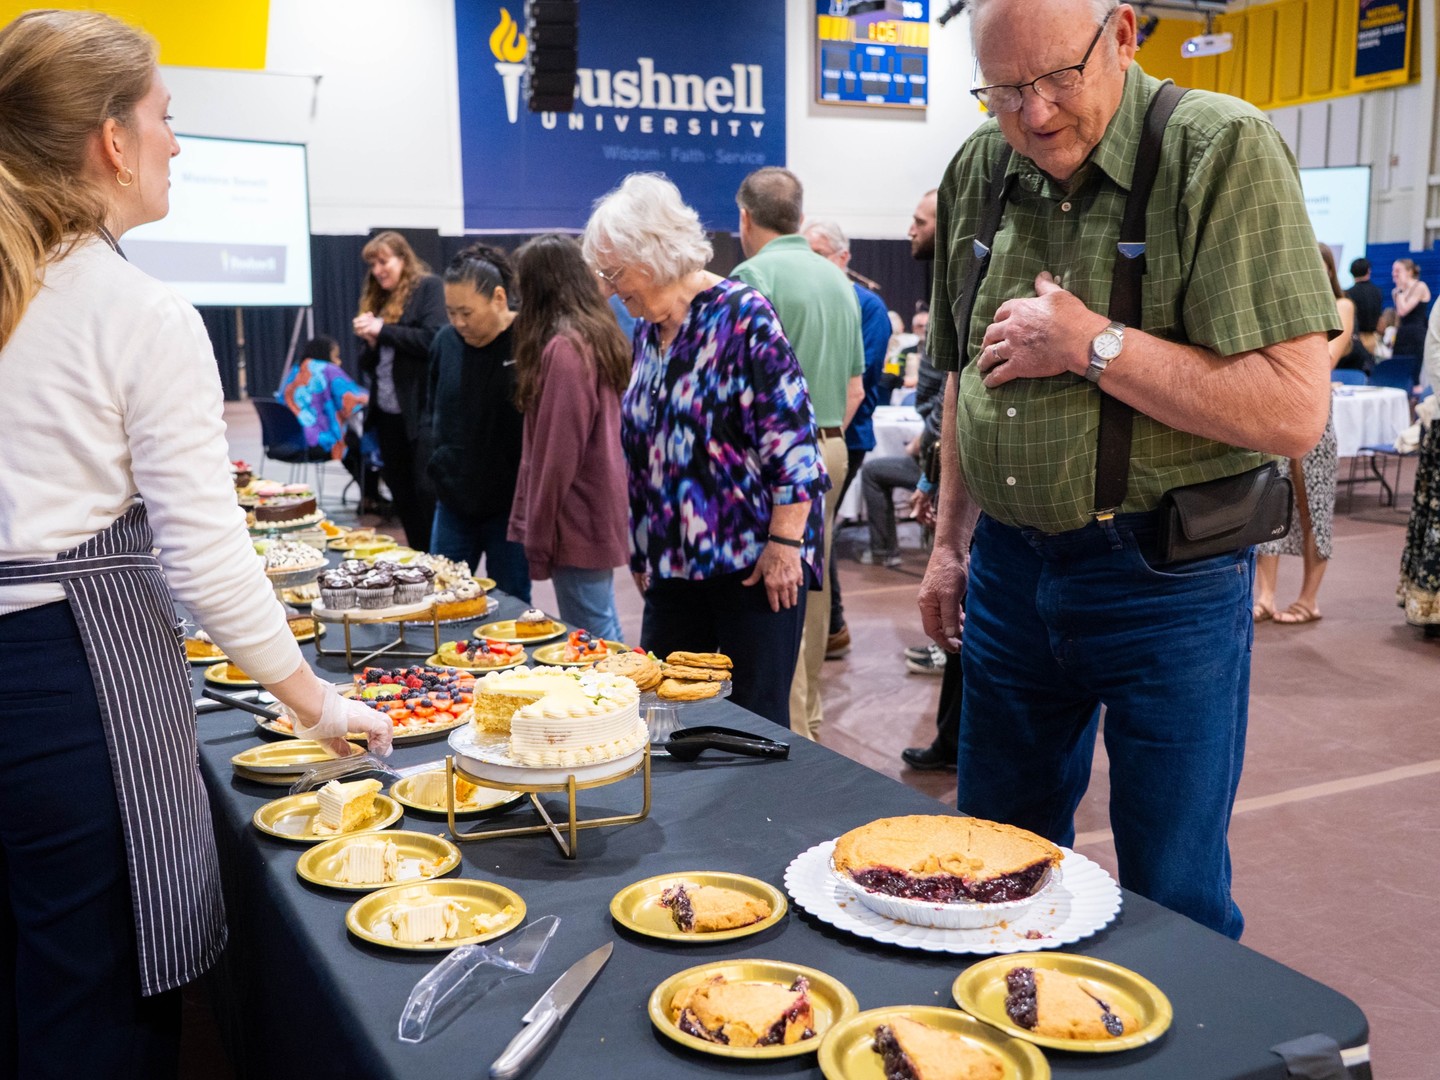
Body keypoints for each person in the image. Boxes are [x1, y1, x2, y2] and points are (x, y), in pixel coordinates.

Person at [0, 11, 391, 1075]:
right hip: (67, 681)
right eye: (165, 117)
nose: (176, 143)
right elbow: (204, 557)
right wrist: (317, 703)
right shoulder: (135, 310)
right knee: (91, 1004)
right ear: (111, 141)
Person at [921, 0, 1336, 938]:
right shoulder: (979, 168)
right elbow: (962, 376)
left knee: (1172, 892)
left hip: (1166, 583)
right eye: (1004, 90)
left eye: (1057, 78)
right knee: (989, 867)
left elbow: (1291, 409)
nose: (1033, 115)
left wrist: (1092, 345)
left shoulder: (1217, 150)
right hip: (1008, 575)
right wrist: (949, 544)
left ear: (1122, 35)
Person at [584, 172, 829, 727]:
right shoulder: (648, 331)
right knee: (661, 716)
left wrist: (784, 545)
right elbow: (647, 449)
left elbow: (794, 445)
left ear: (653, 255)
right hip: (674, 568)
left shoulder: (742, 316)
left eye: (614, 272)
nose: (609, 288)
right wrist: (643, 549)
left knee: (751, 721)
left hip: (752, 566)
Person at [732, 168, 864, 742]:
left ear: (745, 217)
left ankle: (787, 729)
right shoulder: (838, 278)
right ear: (798, 215)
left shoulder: (751, 277)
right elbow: (856, 388)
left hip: (777, 463)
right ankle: (810, 721)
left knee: (776, 590)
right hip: (832, 447)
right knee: (814, 588)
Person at [508, 234, 631, 640]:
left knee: (592, 634)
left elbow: (557, 458)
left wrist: (538, 537)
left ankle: (623, 686)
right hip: (590, 509)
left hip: (576, 515)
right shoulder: (593, 334)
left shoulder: (566, 349)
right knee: (599, 623)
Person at [801, 219, 893, 660]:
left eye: (819, 255)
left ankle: (833, 627)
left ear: (843, 257)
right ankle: (831, 627)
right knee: (819, 527)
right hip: (814, 433)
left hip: (844, 434)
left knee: (821, 527)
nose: (811, 264)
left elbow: (860, 376)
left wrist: (824, 435)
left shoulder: (868, 307)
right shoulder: (812, 299)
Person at [426, 244, 530, 602]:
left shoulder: (528, 342)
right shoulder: (445, 342)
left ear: (498, 298)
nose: (458, 322)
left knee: (513, 602)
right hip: (453, 502)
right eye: (451, 312)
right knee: (441, 597)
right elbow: (432, 411)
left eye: (466, 312)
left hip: (510, 508)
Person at [1253, 244, 1347, 625]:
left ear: (1329, 270)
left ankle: (1309, 600)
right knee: (1271, 504)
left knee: (1314, 510)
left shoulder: (1341, 306)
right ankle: (1266, 597)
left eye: (1317, 265)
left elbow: (1325, 359)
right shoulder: (1286, 306)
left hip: (1315, 418)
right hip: (1278, 414)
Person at [354, 230, 446, 551]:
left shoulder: (428, 288)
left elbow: (433, 339)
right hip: (388, 414)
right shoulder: (380, 297)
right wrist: (370, 341)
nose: (377, 270)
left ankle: (438, 559)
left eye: (384, 262)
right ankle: (420, 558)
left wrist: (383, 330)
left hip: (419, 412)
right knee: (402, 493)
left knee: (425, 492)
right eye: (373, 264)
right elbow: (370, 364)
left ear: (403, 259)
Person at [861, 310, 937, 569]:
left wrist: (916, 446)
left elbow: (939, 424)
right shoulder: (908, 353)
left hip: (937, 467)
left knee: (872, 472)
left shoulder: (938, 369)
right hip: (937, 463)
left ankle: (883, 551)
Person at [278, 334, 373, 497]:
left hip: (288, 440)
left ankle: (369, 498)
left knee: (353, 445)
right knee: (364, 446)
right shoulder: (327, 369)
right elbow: (350, 400)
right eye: (335, 356)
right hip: (315, 441)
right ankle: (371, 498)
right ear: (324, 354)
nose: (339, 362)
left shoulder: (295, 370)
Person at [1390, 258, 1429, 371]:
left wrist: (1400, 290)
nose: (1394, 274)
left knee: (1416, 370)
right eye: (1393, 270)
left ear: (1409, 272)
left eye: (1398, 271)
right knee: (1398, 368)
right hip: (1403, 332)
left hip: (1417, 333)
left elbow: (1403, 310)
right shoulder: (1395, 291)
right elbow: (1399, 315)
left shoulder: (1420, 286)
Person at [1345, 257, 1382, 363]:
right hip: (1373, 339)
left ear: (1351, 272)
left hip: (1354, 340)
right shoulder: (1377, 291)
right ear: (1368, 271)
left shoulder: (1348, 294)